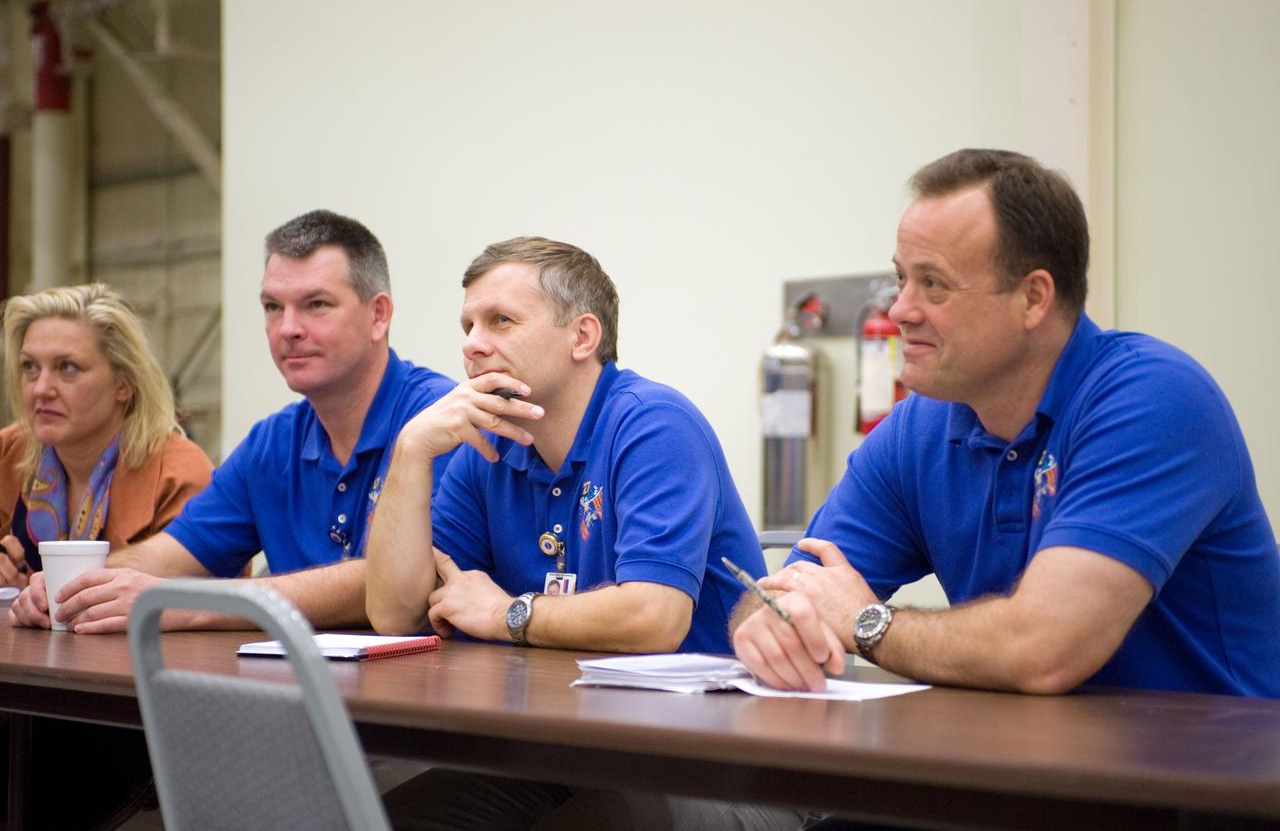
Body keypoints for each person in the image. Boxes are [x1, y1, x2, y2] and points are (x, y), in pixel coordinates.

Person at [732, 148, 1280, 699]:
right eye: (902, 279)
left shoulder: (1155, 399)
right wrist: (772, 626)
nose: (900, 310)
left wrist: (866, 622)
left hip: (1204, 773)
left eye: (935, 284)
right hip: (1026, 768)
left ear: (1033, 298)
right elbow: (779, 593)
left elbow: (1045, 649)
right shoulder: (916, 430)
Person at [366, 237, 798, 829]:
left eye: (501, 320)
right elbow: (394, 613)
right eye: (467, 324)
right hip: (561, 748)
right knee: (391, 817)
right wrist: (412, 451)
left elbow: (653, 618)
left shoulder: (653, 424)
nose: (471, 343)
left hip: (716, 759)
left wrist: (505, 615)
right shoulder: (487, 442)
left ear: (582, 337)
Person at [9, 209, 456, 633]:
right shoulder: (273, 442)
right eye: (272, 307)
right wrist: (69, 586)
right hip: (295, 690)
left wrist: (189, 605)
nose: (288, 328)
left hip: (415, 697)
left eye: (316, 304)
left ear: (378, 315)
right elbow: (174, 554)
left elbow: (395, 585)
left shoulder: (438, 419)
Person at [0, 282, 213, 829]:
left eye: (67, 368)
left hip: (129, 712)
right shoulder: (10, 452)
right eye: (29, 368)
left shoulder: (177, 468)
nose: (41, 388)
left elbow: (201, 610)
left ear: (123, 384)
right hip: (28, 690)